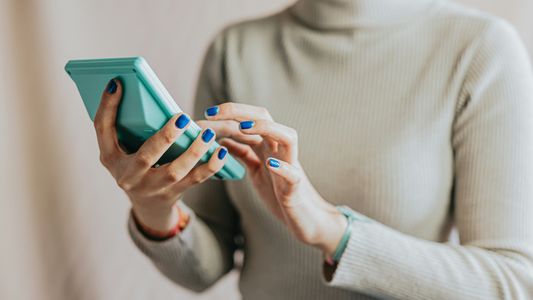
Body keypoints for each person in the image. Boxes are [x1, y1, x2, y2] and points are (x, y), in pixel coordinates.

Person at [93, 0, 533, 298]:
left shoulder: (480, 50)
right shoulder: (236, 49)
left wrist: (333, 231)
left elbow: (512, 282)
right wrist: (154, 208)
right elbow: (203, 269)